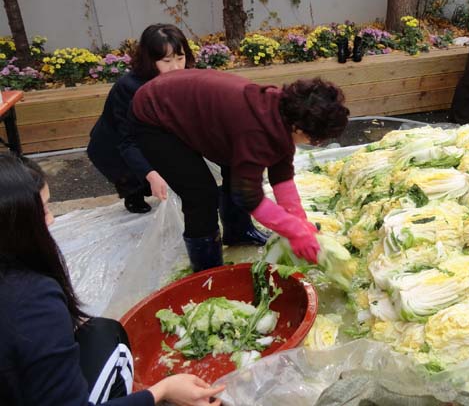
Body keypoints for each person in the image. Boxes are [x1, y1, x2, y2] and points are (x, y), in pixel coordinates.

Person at [0, 154, 225, 405]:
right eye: (43, 210)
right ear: (13, 224)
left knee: (101, 332)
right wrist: (161, 391)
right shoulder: (32, 298)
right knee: (112, 346)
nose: (52, 220)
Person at [130, 70, 349, 272]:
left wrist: (301, 223)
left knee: (238, 168)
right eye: (316, 140)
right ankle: (208, 271)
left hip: (188, 108)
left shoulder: (284, 114)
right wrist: (293, 231)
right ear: (299, 128)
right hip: (155, 116)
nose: (314, 144)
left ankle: (237, 233)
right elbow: (248, 196)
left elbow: (282, 175)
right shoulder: (256, 131)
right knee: (201, 194)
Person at [87, 24, 193, 215]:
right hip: (114, 143)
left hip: (150, 135)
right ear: (150, 60)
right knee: (135, 179)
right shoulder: (129, 87)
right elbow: (126, 140)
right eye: (167, 61)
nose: (176, 67)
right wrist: (151, 174)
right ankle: (133, 196)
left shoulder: (185, 76)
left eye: (180, 58)